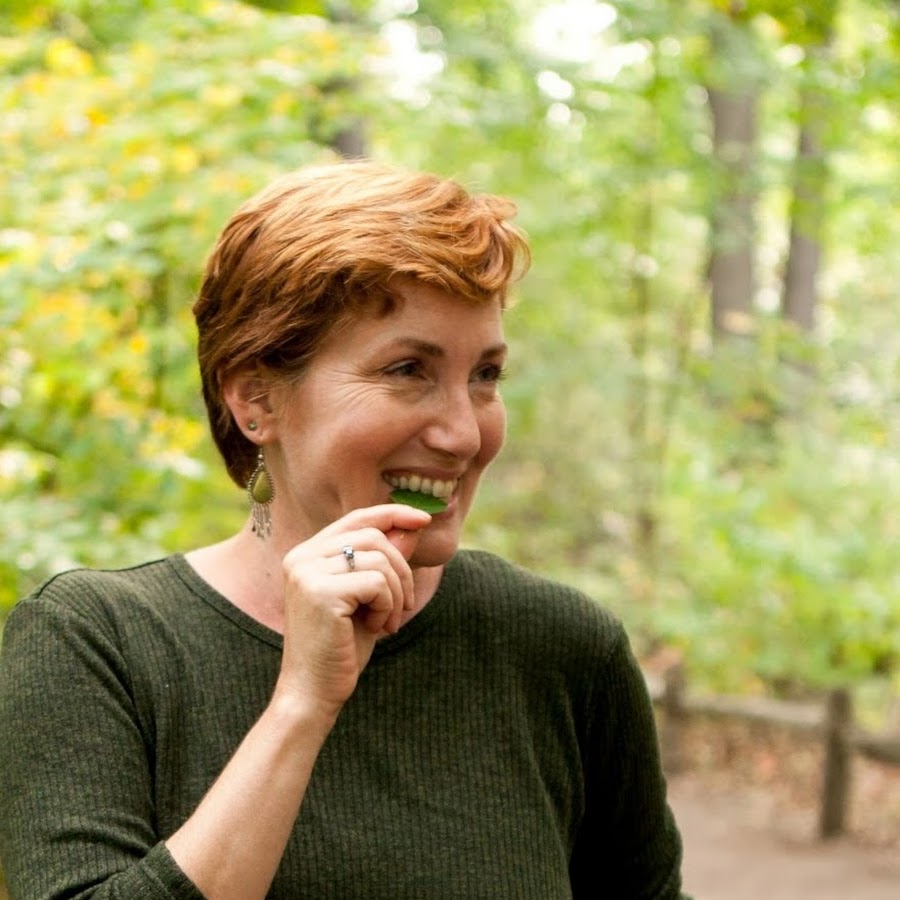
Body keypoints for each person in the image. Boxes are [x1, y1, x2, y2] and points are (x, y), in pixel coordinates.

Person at [0, 160, 687, 899]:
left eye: (484, 377)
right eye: (406, 370)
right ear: (255, 399)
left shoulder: (560, 648)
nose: (463, 433)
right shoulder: (94, 644)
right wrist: (301, 703)